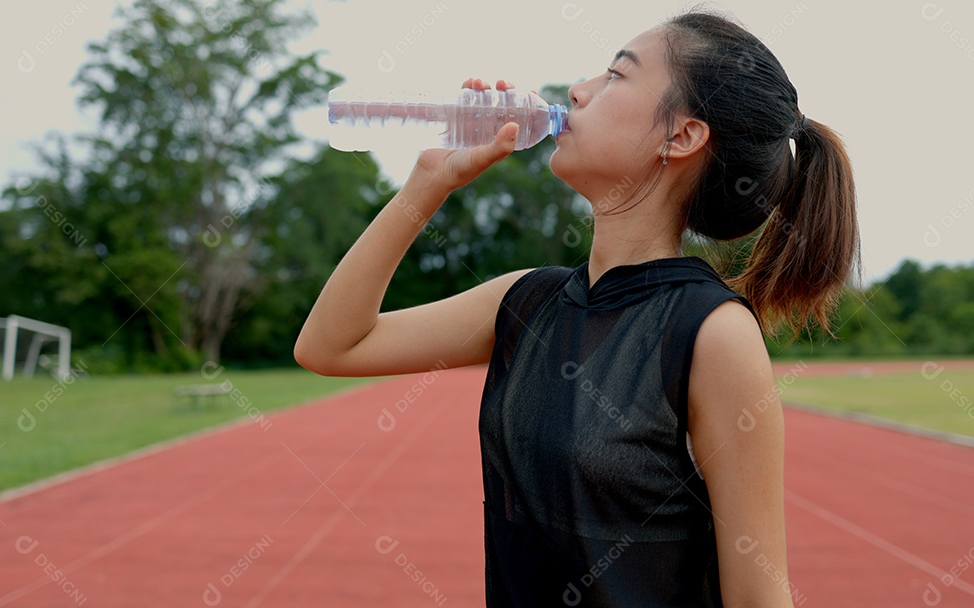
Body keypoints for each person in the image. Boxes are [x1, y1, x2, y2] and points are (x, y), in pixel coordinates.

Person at [296, 7, 858, 607]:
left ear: (683, 135)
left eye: (617, 75)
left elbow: (759, 600)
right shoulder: (526, 302)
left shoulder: (710, 333)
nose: (578, 91)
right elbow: (331, 346)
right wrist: (428, 181)